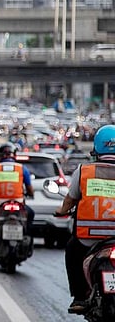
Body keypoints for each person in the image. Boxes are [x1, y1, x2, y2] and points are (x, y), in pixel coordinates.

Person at [55, 125, 115, 314]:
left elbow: (70, 199)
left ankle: (79, 297)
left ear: (96, 147)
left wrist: (61, 211)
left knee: (72, 251)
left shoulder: (84, 171)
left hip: (87, 237)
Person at [0, 142, 35, 233]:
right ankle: (27, 233)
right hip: (18, 202)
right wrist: (30, 194)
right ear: (14, 154)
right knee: (30, 213)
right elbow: (30, 189)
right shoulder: (22, 168)